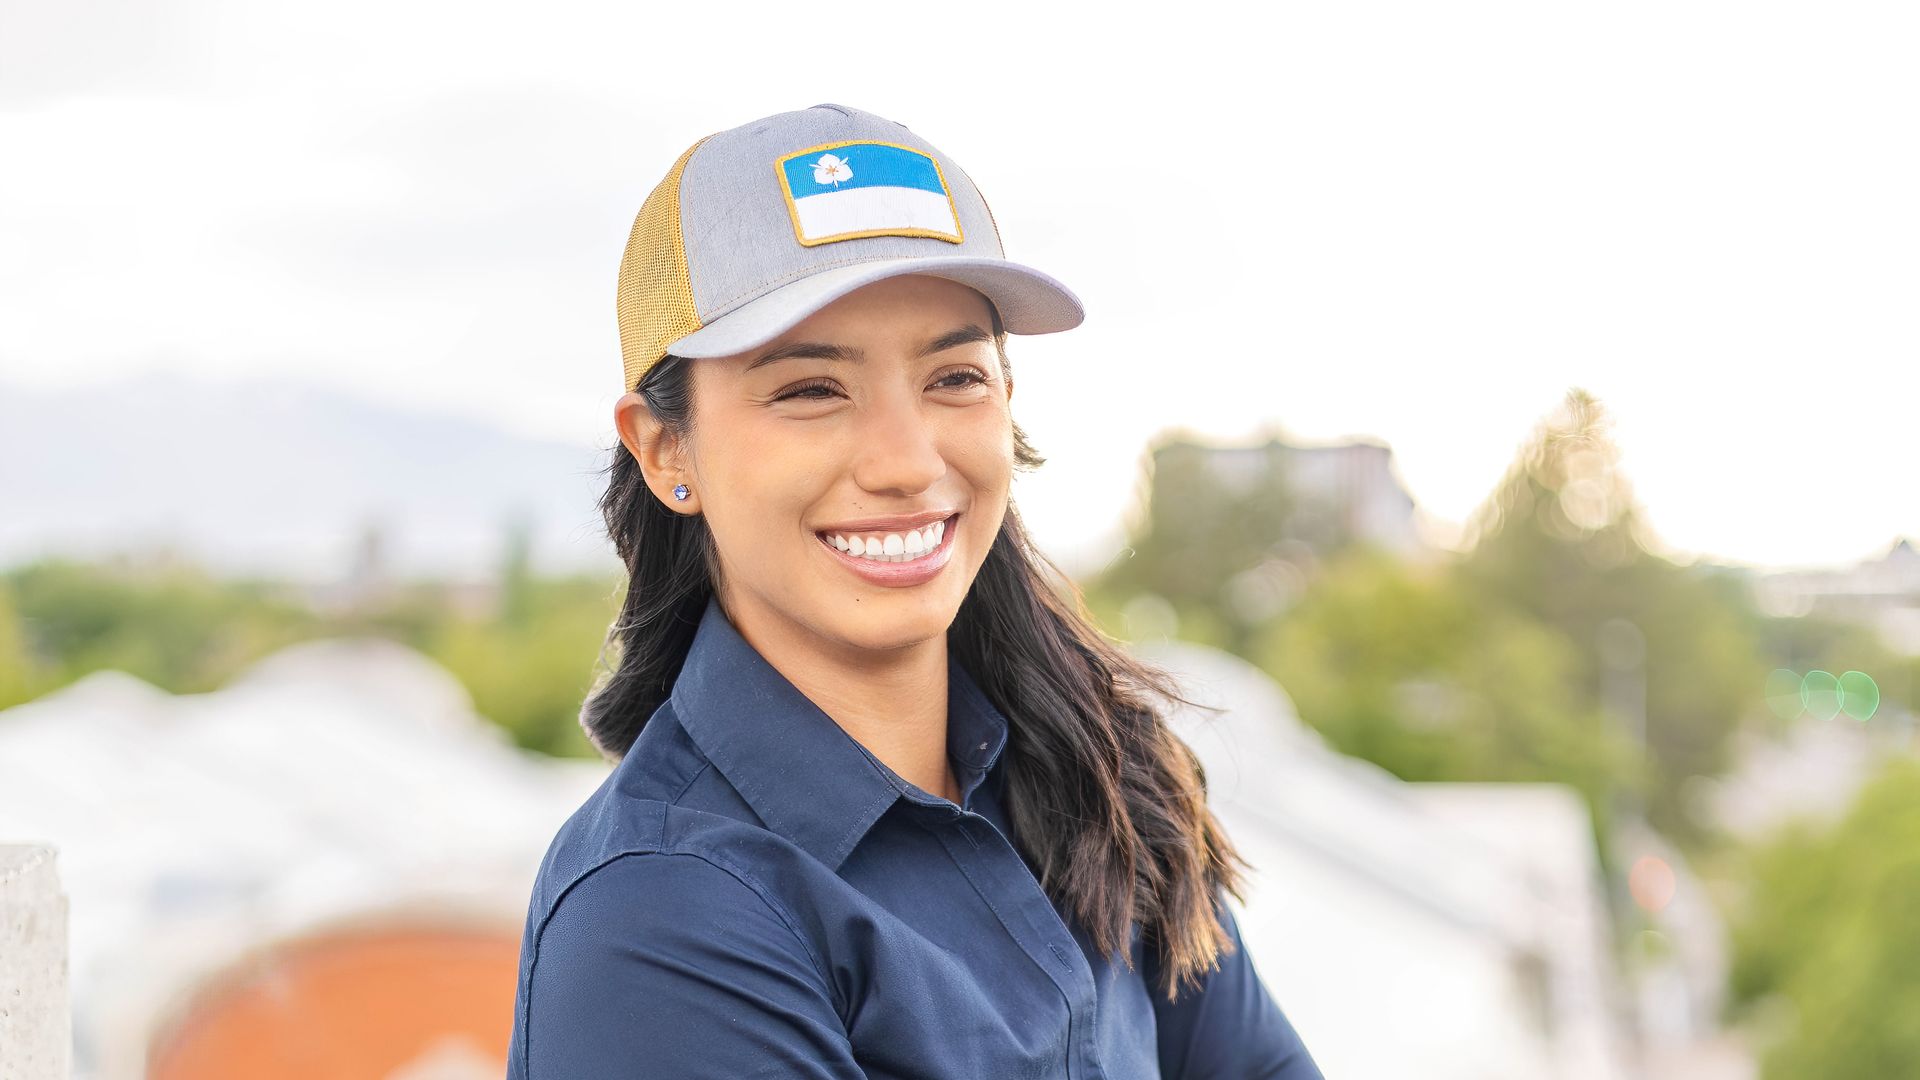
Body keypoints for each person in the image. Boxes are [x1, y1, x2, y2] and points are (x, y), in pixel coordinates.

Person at [506, 103, 1324, 1079]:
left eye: (954, 377)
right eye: (812, 389)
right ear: (665, 447)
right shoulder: (659, 920)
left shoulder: (1104, 763)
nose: (906, 461)